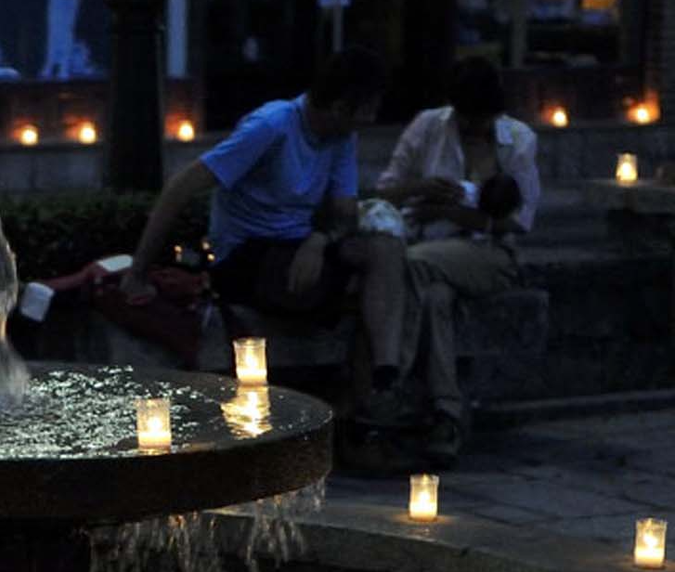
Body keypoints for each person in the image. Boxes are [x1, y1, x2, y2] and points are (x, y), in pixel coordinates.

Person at [122, 47, 405, 394]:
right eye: (368, 109)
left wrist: (319, 241)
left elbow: (345, 213)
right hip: (247, 254)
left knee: (385, 251)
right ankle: (351, 400)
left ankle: (386, 373)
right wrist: (138, 272)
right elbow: (181, 187)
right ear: (340, 107)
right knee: (340, 290)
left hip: (299, 243)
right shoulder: (271, 126)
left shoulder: (342, 137)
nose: (372, 118)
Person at [375, 56, 541, 465]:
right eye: (466, 120)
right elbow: (385, 192)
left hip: (488, 252)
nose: (472, 130)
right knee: (434, 298)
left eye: (480, 121)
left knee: (413, 263)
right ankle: (447, 416)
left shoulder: (518, 140)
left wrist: (453, 213)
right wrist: (422, 190)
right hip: (433, 244)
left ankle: (391, 381)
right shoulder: (429, 126)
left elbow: (519, 221)